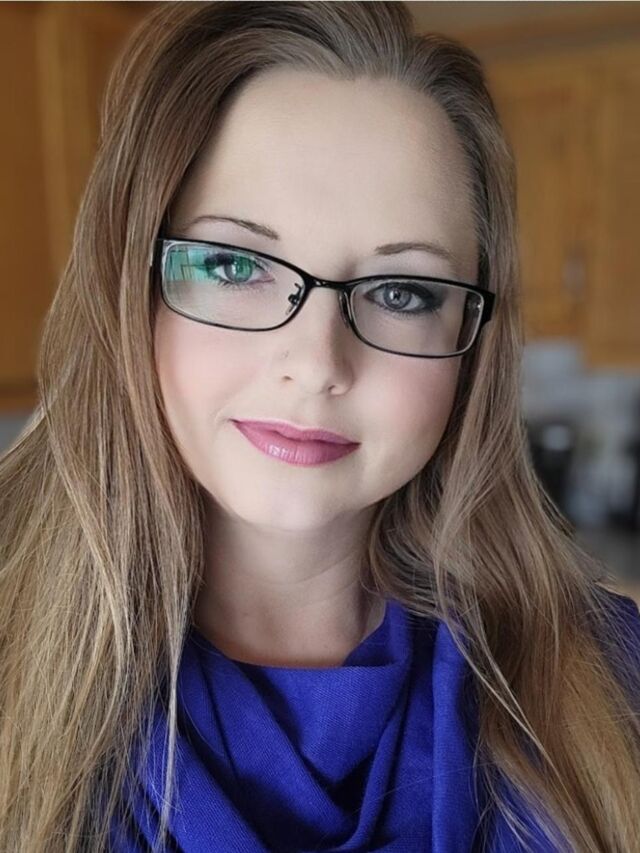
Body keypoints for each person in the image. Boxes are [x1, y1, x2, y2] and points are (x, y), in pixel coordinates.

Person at [0, 2, 638, 851]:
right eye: (235, 264)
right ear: (131, 288)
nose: (317, 363)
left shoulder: (613, 676)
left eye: (402, 291)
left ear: (472, 344)